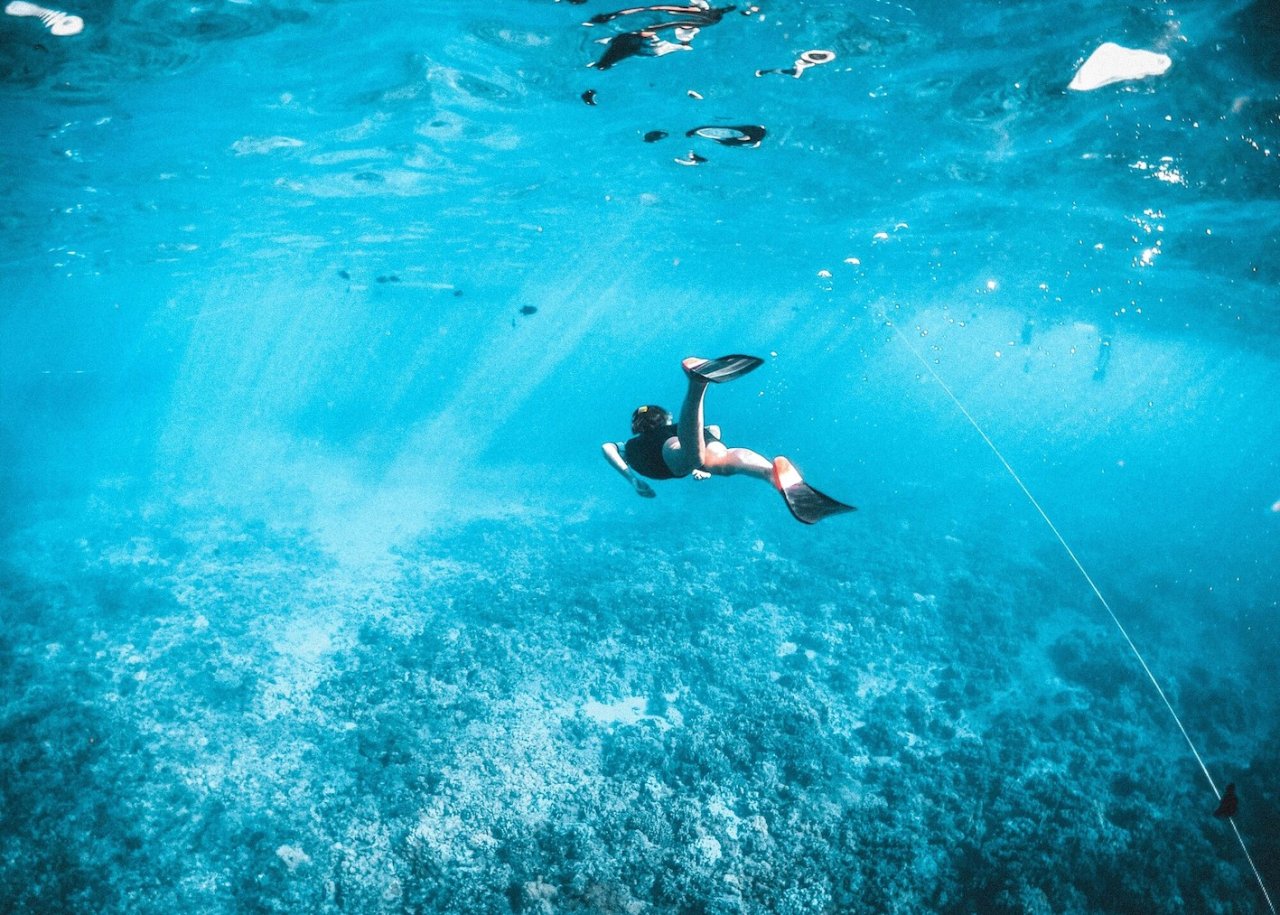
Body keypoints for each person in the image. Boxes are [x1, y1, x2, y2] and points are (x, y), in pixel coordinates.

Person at [601, 355, 855, 523]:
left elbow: (607, 447)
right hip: (688, 436)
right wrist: (704, 463)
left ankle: (698, 384)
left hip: (664, 454)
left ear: (637, 426)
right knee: (724, 460)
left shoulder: (634, 444)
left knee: (691, 457)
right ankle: (770, 473)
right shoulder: (673, 428)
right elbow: (714, 429)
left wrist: (632, 479)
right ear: (664, 419)